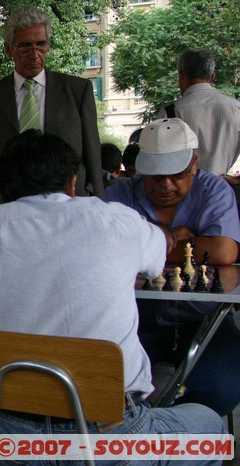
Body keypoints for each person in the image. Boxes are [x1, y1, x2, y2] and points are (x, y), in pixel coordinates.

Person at [0, 130, 224, 446]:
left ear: (3, 187)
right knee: (209, 424)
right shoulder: (119, 221)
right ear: (72, 182)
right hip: (108, 436)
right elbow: (162, 249)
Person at [105, 118, 240, 416]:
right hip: (132, 321)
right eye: (154, 177)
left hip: (201, 321)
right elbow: (105, 250)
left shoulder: (214, 191)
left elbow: (224, 250)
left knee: (225, 384)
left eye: (176, 174)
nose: (165, 185)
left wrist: (147, 244)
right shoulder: (118, 194)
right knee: (101, 383)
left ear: (193, 163)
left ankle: (174, 435)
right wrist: (178, 237)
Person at [0, 6, 103, 210]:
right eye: (25, 46)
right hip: (8, 209)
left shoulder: (77, 91)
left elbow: (93, 156)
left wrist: (95, 201)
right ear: (8, 49)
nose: (34, 54)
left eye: (40, 45)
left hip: (69, 206)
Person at [161, 49, 240, 175]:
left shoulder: (170, 113)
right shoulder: (236, 108)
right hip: (223, 189)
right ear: (213, 76)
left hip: (183, 192)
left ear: (181, 74)